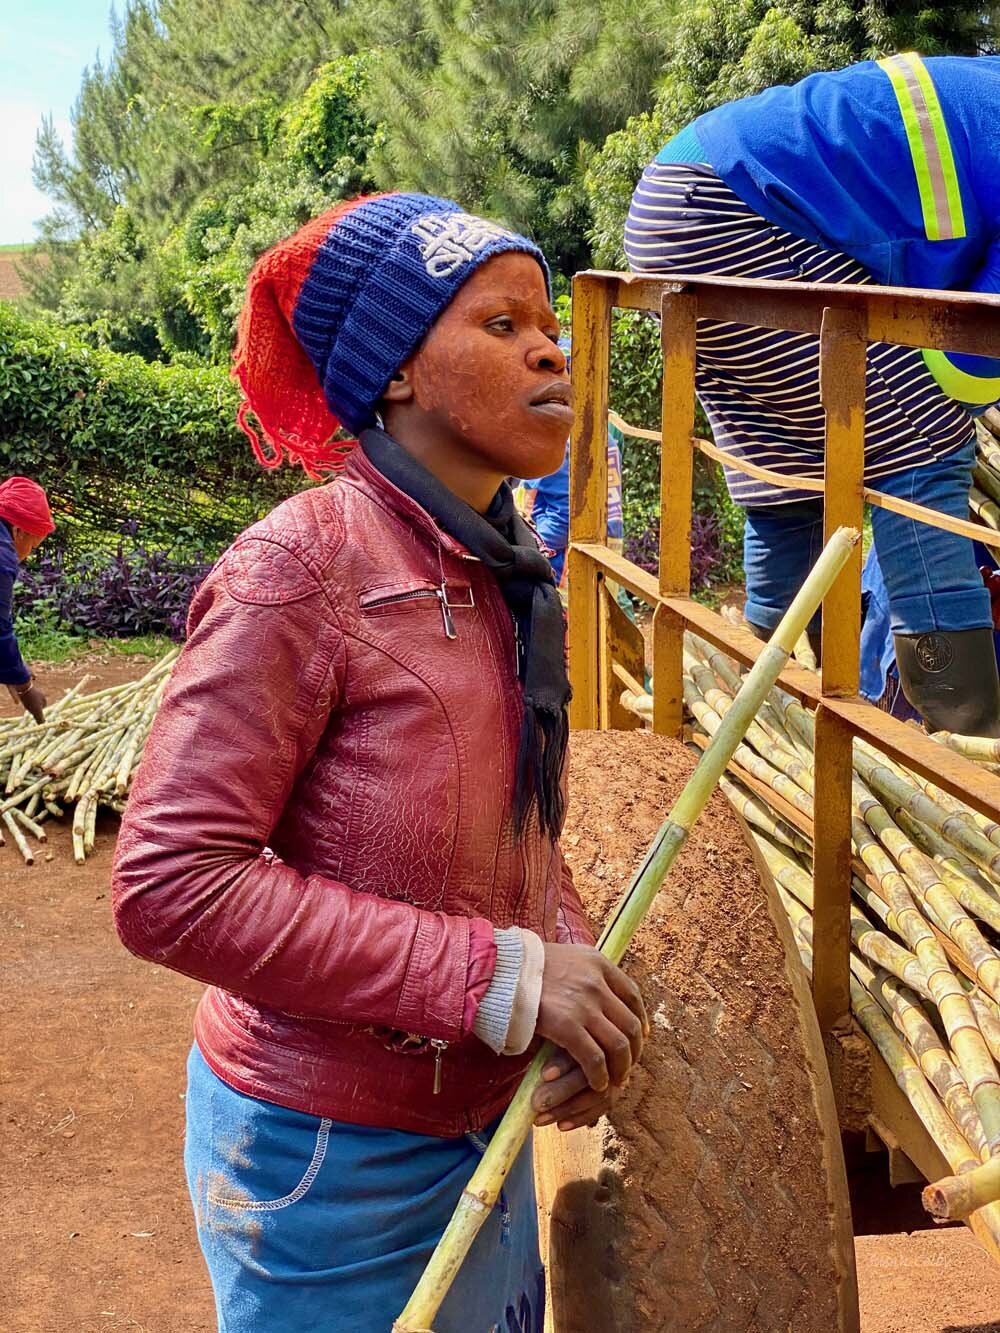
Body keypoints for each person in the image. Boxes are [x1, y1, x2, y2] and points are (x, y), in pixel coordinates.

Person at [111, 193, 648, 1333]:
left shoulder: (505, 569)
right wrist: (492, 978)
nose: (551, 346)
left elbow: (513, 828)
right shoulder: (300, 566)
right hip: (326, 1171)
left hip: (478, 1141)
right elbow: (171, 884)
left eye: (546, 322)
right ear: (395, 373)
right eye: (499, 325)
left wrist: (560, 958)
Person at [625, 53, 1000, 735]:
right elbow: (980, 340)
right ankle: (965, 733)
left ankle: (736, 699)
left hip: (682, 205)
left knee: (790, 488)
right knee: (927, 441)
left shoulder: (985, 90)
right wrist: (952, 410)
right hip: (738, 217)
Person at [519, 339, 625, 584]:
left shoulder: (560, 437)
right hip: (606, 535)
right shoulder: (601, 434)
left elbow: (549, 506)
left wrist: (533, 548)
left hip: (562, 543)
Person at [0, 476, 54, 723]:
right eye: (32, 545)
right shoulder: (2, 556)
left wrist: (12, 670)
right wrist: (24, 686)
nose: (28, 555)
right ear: (18, 530)